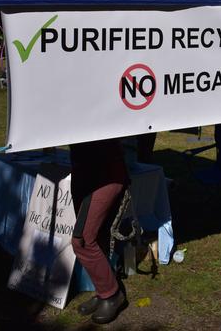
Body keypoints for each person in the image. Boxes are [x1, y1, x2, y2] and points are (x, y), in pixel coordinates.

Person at [69, 139, 129, 325]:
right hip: (83, 170)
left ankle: (111, 294)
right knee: (96, 236)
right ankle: (102, 289)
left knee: (82, 240)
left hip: (105, 173)